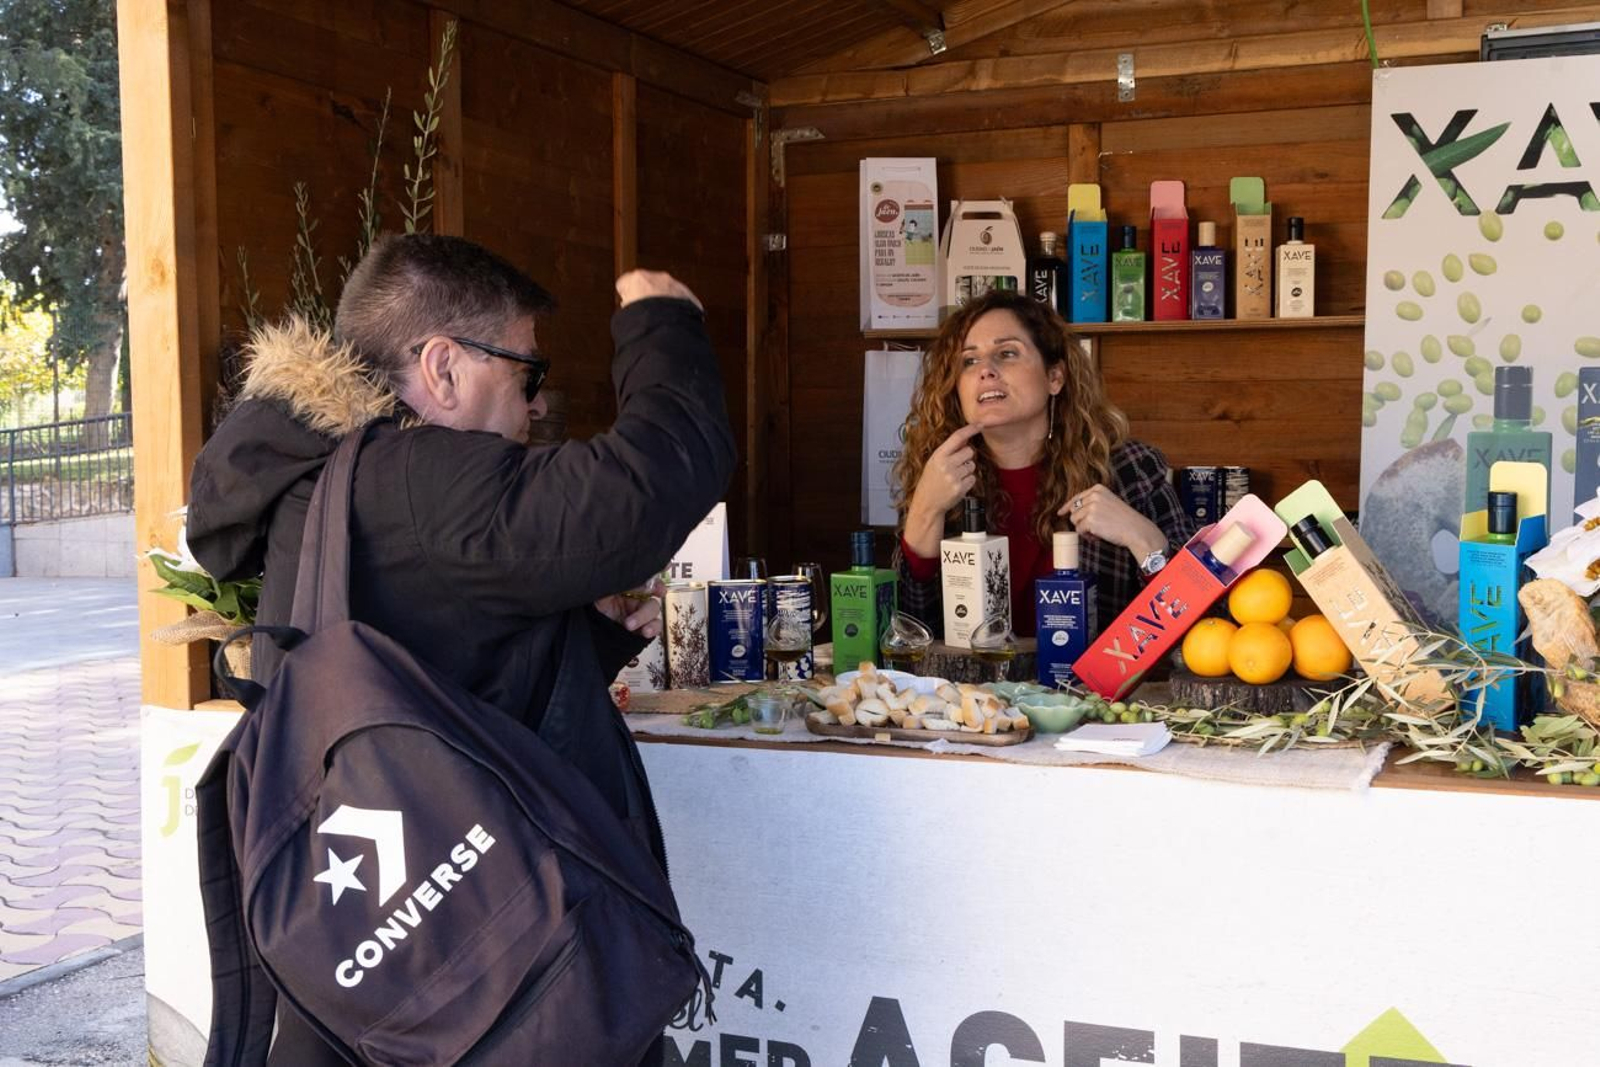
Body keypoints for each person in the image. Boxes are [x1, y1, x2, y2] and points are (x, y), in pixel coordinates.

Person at [186, 234, 736, 1065]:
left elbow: (429, 693)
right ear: (443, 368)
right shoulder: (422, 480)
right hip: (506, 994)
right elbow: (648, 486)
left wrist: (581, 637)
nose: (533, 408)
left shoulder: (331, 484)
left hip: (403, 991)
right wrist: (663, 323)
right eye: (526, 374)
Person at [894, 289, 1194, 637]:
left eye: (1007, 353)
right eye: (969, 361)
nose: (985, 371)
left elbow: (1199, 625)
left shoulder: (1131, 470)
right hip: (970, 676)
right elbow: (910, 636)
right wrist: (925, 511)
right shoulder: (938, 476)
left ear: (1055, 378)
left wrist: (1143, 539)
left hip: (1099, 675)